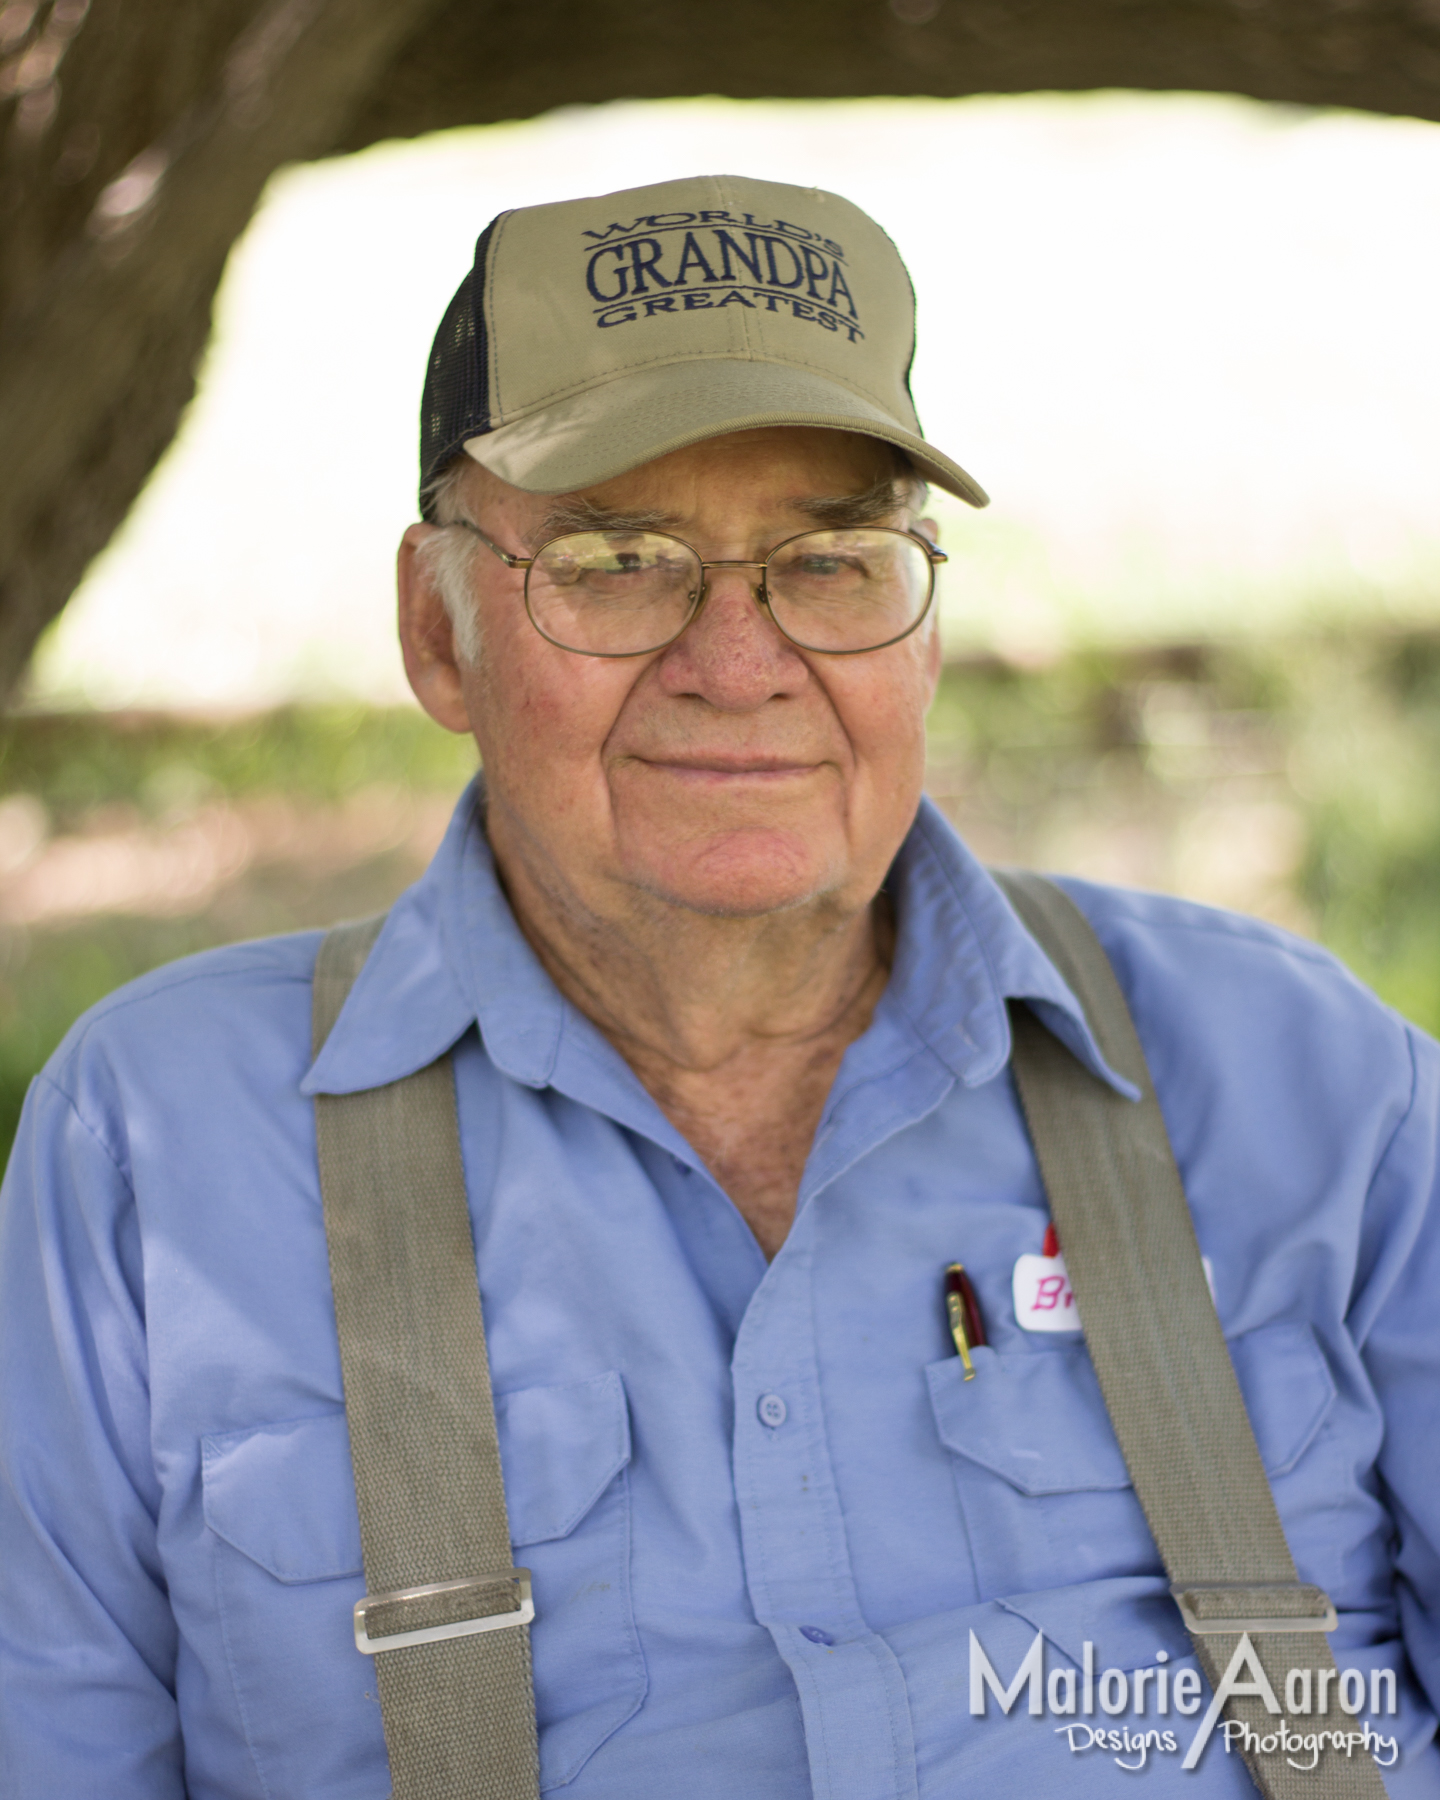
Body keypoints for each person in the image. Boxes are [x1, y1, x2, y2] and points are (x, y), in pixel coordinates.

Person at [1, 174, 1437, 1799]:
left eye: (830, 560)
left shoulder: (1321, 1090)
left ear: (926, 622)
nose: (739, 661)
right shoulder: (159, 1149)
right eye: (619, 559)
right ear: (437, 630)